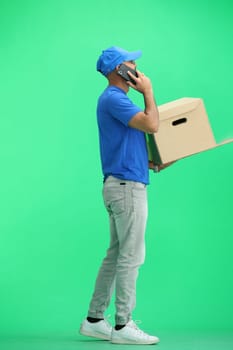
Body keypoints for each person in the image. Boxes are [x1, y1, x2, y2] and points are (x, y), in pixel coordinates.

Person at [79, 46, 160, 345]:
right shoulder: (116, 99)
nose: (136, 65)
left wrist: (150, 163)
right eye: (131, 61)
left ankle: (94, 319)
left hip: (122, 183)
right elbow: (152, 124)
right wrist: (148, 91)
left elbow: (127, 144)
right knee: (131, 256)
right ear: (118, 70)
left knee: (115, 255)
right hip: (127, 189)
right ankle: (123, 325)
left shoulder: (117, 101)